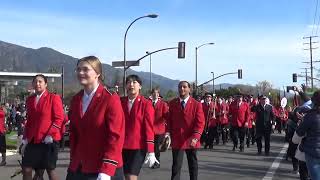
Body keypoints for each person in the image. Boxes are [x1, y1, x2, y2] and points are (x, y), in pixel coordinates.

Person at [66, 56, 125, 180]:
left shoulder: (110, 99)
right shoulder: (76, 100)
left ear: (97, 73)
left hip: (102, 169)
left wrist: (107, 170)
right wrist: (73, 159)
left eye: (85, 69)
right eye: (78, 69)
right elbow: (74, 132)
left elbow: (115, 137)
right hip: (78, 167)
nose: (80, 73)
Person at [21, 74, 64, 180]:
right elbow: (29, 121)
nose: (37, 84)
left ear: (46, 84)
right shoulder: (30, 100)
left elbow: (59, 118)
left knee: (50, 170)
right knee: (26, 169)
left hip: (48, 140)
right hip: (33, 140)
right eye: (35, 82)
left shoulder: (53, 98)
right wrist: (25, 139)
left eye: (40, 81)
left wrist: (51, 135)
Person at [166, 81, 205, 180]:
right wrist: (167, 134)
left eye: (184, 87)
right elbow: (168, 120)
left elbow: (200, 123)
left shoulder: (196, 104)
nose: (182, 89)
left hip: (191, 139)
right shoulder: (172, 103)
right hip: (177, 139)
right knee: (176, 166)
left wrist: (195, 137)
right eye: (180, 87)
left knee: (192, 165)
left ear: (189, 89)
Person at [120, 75, 157, 180]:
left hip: (138, 147)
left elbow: (149, 128)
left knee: (131, 177)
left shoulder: (146, 104)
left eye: (134, 82)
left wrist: (151, 151)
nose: (131, 85)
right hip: (121, 145)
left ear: (140, 86)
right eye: (128, 82)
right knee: (123, 176)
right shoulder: (119, 102)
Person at [295, 90, 320, 180]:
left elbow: (297, 136)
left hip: (313, 153)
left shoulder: (311, 116)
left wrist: (303, 121)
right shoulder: (310, 116)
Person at [150, 87, 169, 169]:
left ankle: (157, 162)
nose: (155, 94)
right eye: (154, 93)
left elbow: (167, 116)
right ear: (151, 94)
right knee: (151, 146)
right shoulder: (148, 103)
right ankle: (153, 160)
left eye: (157, 93)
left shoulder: (163, 104)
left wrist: (168, 131)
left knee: (156, 147)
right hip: (150, 129)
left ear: (158, 95)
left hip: (159, 129)